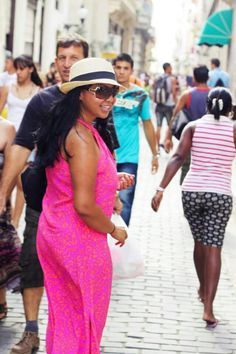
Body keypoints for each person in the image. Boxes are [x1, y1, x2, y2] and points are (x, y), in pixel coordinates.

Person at [0, 33, 89, 354]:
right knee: (32, 263)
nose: (66, 64)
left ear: (85, 61)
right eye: (61, 58)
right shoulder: (43, 100)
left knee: (77, 273)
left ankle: (76, 335)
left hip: (83, 207)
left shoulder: (95, 98)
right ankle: (31, 332)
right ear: (54, 61)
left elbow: (108, 151)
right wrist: (2, 194)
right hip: (44, 202)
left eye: (74, 58)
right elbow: (21, 146)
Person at [35, 57, 130, 353]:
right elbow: (85, 206)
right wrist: (115, 229)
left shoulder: (80, 130)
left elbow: (70, 181)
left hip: (58, 232)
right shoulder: (82, 137)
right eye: (101, 91)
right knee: (83, 319)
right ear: (80, 93)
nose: (110, 99)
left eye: (113, 91)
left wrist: (112, 179)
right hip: (78, 240)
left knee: (67, 318)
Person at [151, 87, 236, 329]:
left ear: (206, 106)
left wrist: (160, 189)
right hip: (220, 195)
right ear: (230, 108)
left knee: (200, 242)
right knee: (214, 248)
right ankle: (208, 306)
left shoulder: (193, 127)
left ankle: (202, 287)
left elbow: (178, 158)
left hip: (192, 193)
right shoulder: (233, 129)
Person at [112, 53, 159, 226]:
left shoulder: (140, 95)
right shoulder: (104, 91)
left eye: (125, 68)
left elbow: (147, 124)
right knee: (102, 201)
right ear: (113, 68)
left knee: (125, 201)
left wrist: (155, 154)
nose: (121, 72)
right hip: (105, 156)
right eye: (118, 67)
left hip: (129, 158)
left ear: (131, 70)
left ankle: (121, 244)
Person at [0, 55, 43, 229]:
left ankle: (15, 222)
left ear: (30, 69)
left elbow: (40, 120)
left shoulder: (38, 91)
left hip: (28, 141)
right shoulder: (7, 88)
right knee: (6, 180)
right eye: (17, 68)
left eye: (22, 68)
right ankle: (5, 214)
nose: (19, 72)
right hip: (9, 140)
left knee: (21, 182)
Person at [164, 65, 210, 183]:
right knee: (206, 170)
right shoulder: (214, 94)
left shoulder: (187, 95)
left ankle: (187, 197)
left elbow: (174, 117)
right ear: (208, 77)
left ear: (194, 78)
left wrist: (168, 138)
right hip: (209, 141)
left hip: (190, 140)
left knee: (186, 170)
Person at [0, 118, 21, 321]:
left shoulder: (7, 129)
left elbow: (13, 171)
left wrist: (5, 199)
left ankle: (0, 300)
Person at [153, 62, 178, 149]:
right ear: (168, 68)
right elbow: (174, 93)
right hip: (169, 105)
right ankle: (167, 145)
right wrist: (176, 104)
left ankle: (157, 147)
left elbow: (154, 91)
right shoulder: (172, 79)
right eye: (171, 67)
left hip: (159, 105)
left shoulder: (157, 78)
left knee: (158, 126)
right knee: (170, 126)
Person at [0, 52, 16, 118]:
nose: (5, 65)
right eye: (5, 62)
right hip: (3, 107)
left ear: (12, 63)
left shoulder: (18, 77)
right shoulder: (2, 76)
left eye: (7, 62)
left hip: (12, 107)